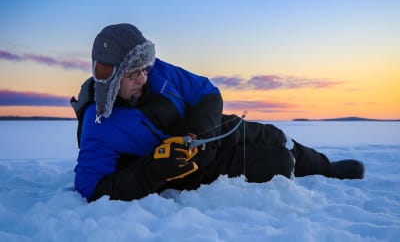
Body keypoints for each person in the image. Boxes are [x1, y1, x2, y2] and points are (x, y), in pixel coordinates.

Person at [71, 23, 364, 202]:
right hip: (194, 169)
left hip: (210, 131)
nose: (144, 78)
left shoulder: (158, 70)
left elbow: (208, 93)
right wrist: (154, 170)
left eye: (145, 70)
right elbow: (90, 188)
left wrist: (192, 132)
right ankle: (293, 166)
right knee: (279, 161)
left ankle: (327, 168)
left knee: (276, 136)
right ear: (111, 77)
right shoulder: (99, 125)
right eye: (133, 74)